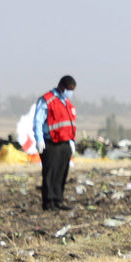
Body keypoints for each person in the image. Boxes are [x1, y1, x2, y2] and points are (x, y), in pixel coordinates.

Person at [33, 75, 77, 211]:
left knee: (61, 173)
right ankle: (49, 203)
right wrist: (39, 140)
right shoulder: (47, 100)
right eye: (69, 89)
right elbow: (38, 121)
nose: (71, 92)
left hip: (64, 143)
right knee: (50, 174)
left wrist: (71, 142)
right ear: (62, 87)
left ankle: (58, 200)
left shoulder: (66, 102)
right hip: (51, 143)